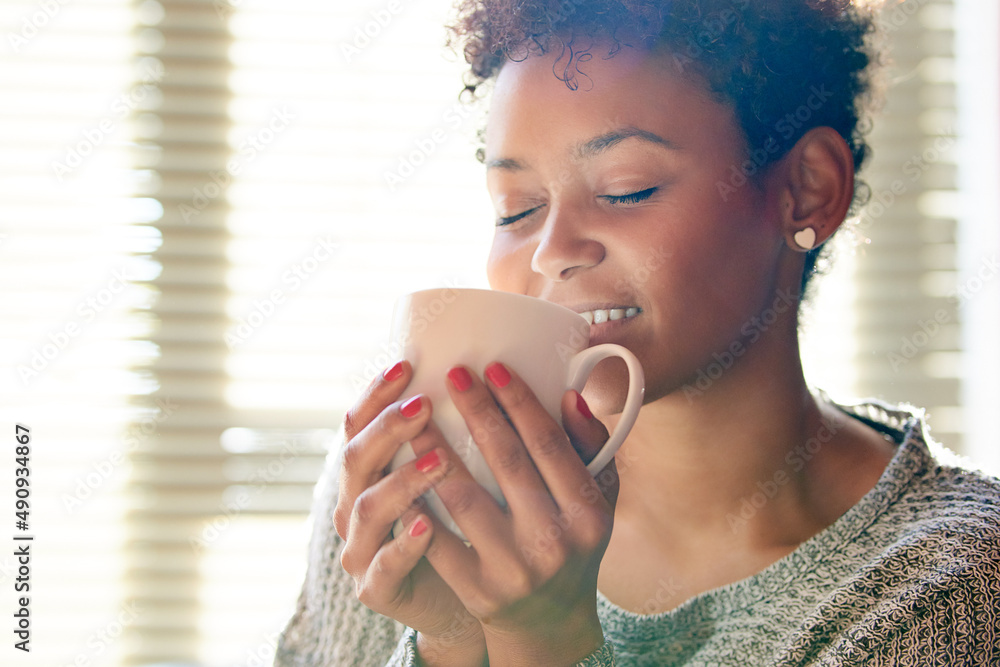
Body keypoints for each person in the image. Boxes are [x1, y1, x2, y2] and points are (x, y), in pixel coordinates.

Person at [275, 1, 1000, 665]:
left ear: (808, 188)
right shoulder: (403, 494)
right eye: (516, 206)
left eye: (625, 189)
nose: (551, 249)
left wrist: (543, 637)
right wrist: (454, 638)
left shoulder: (947, 589)